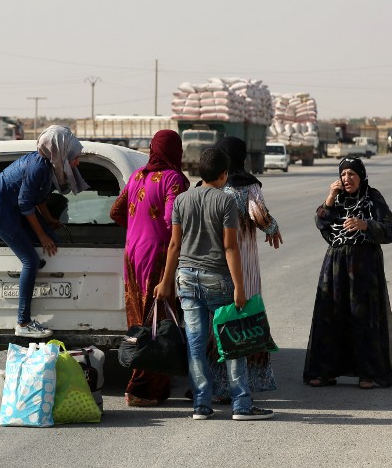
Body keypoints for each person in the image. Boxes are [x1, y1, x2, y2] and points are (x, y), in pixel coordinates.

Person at [154, 148, 274, 421]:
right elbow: (231, 248)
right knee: (231, 343)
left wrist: (165, 282)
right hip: (217, 279)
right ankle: (242, 406)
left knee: (195, 345)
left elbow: (174, 244)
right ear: (224, 175)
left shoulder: (182, 200)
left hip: (185, 278)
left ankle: (201, 405)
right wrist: (240, 288)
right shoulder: (226, 202)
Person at [0, 125, 87, 339]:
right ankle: (24, 322)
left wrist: (49, 221)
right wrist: (42, 235)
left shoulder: (45, 165)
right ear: (61, 152)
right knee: (31, 260)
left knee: (51, 238)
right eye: (74, 157)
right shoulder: (38, 167)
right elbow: (25, 205)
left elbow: (38, 199)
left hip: (12, 210)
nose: (77, 162)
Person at [303, 157, 392, 389]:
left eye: (352, 174)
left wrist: (366, 225)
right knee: (331, 316)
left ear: (361, 176)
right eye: (343, 174)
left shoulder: (373, 197)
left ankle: (367, 373)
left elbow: (391, 231)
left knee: (363, 317)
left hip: (364, 265)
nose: (346, 179)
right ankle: (326, 372)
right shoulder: (335, 199)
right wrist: (329, 199)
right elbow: (320, 222)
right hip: (336, 265)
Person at [110, 129, 190, 407]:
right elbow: (172, 219)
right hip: (158, 255)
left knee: (139, 319)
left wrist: (137, 228)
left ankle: (145, 384)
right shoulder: (173, 179)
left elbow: (116, 212)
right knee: (156, 324)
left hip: (132, 255)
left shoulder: (137, 176)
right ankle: (143, 388)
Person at [211, 137, 283, 399]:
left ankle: (217, 386)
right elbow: (258, 214)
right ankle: (245, 383)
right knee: (243, 319)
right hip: (244, 261)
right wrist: (273, 228)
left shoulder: (209, 184)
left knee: (218, 321)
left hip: (216, 261)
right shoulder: (248, 186)